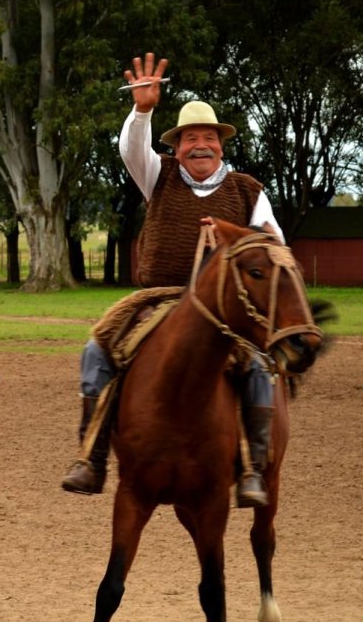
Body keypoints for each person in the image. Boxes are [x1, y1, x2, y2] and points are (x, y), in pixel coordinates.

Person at [61, 53, 284, 507]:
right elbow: (131, 148)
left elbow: (273, 245)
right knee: (97, 349)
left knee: (259, 365)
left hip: (226, 307)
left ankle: (253, 469)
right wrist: (142, 110)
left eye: (208, 138)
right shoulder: (157, 174)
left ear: (221, 145)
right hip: (160, 298)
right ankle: (92, 456)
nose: (200, 146)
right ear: (177, 146)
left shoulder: (247, 189)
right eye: (190, 139)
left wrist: (231, 236)